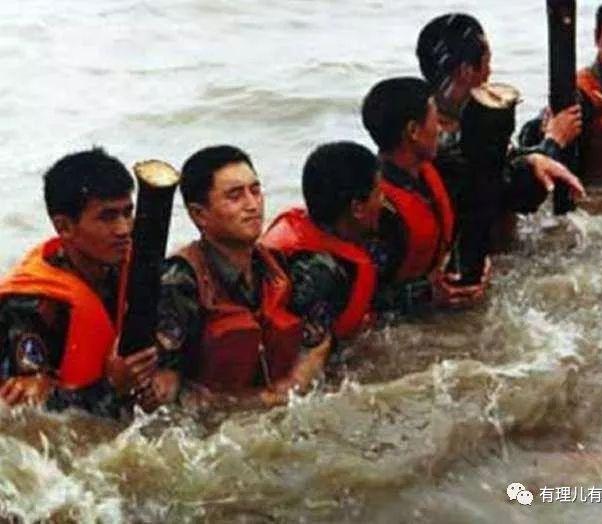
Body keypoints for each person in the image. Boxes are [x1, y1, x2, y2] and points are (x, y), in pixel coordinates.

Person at [154, 145, 331, 409]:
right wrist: (260, 401)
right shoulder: (178, 286)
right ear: (199, 214)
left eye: (255, 191)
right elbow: (166, 395)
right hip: (218, 426)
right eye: (235, 196)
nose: (252, 205)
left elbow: (318, 342)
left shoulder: (289, 268)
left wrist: (293, 385)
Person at [416, 14, 585, 281]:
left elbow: (504, 163)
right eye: (487, 62)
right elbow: (515, 192)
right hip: (479, 269)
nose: (489, 72)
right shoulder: (437, 143)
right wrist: (554, 142)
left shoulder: (444, 118)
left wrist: (539, 139)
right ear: (466, 71)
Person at [0, 148, 157, 417]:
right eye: (107, 217)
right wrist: (112, 386)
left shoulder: (137, 270)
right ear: (64, 227)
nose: (124, 229)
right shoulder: (28, 306)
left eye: (127, 213)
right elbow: (33, 417)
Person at [361, 76, 486, 313]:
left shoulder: (429, 168)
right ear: (413, 131)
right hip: (403, 325)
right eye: (435, 120)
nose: (440, 129)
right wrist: (425, 295)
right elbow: (366, 297)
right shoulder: (380, 210)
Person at [261, 141, 382, 349]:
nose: (383, 201)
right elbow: (307, 356)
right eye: (378, 194)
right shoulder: (320, 274)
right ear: (357, 208)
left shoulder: (316, 229)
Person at [520, 0, 602, 184]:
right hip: (593, 195)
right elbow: (530, 145)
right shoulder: (579, 94)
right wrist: (545, 130)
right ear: (596, 39)